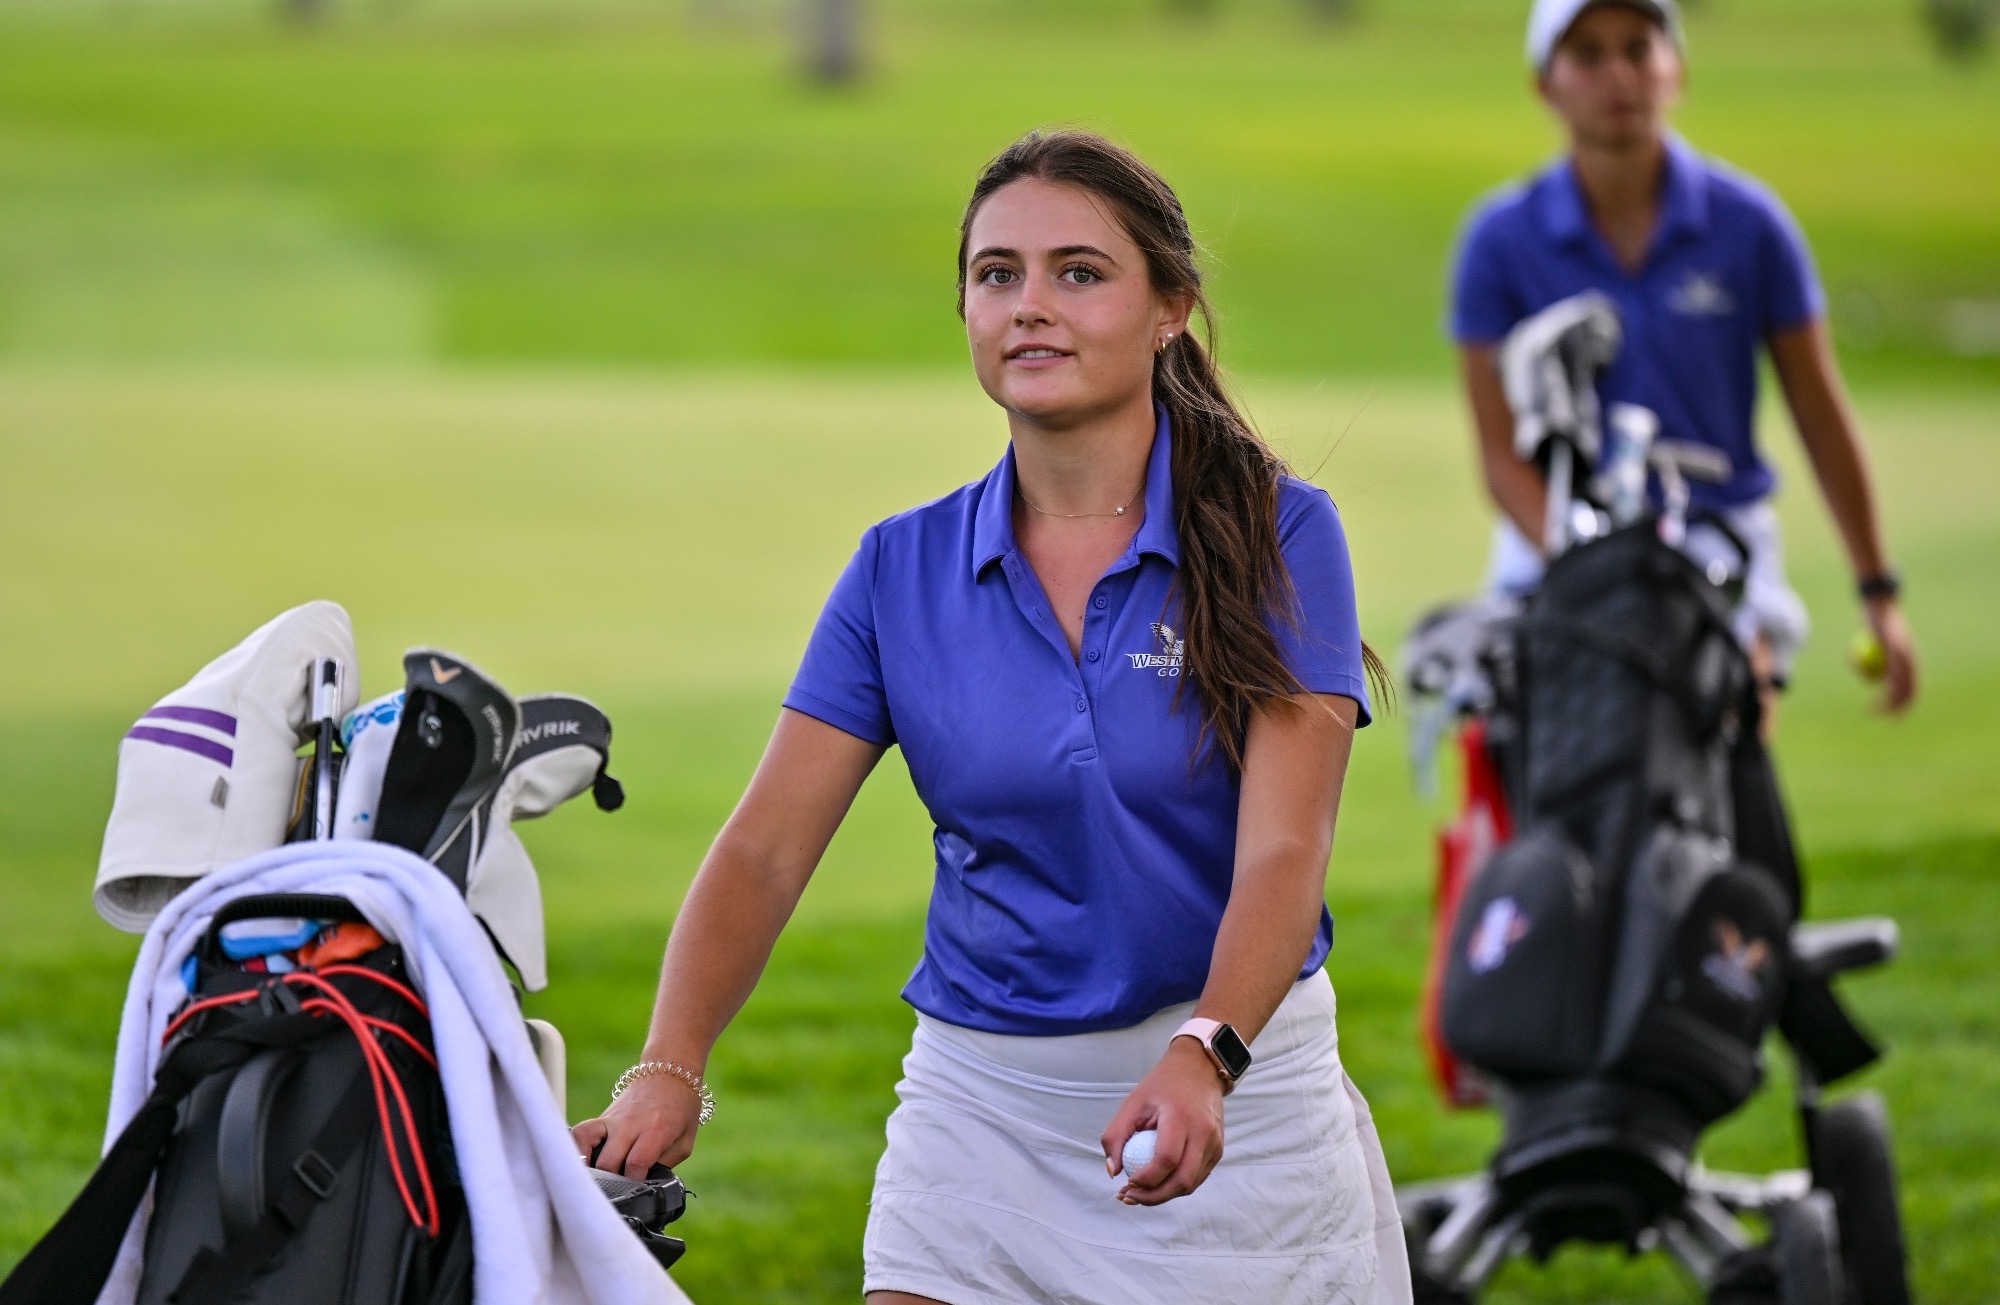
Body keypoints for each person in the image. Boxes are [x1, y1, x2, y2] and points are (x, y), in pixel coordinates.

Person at [571, 129, 1412, 1304]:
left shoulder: (1281, 532)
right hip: (983, 1108)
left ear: (1169, 308)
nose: (1029, 306)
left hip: (1234, 1088)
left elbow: (1282, 850)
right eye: (995, 274)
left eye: (1078, 272)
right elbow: (762, 850)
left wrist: (1204, 1051)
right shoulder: (895, 569)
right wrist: (668, 1066)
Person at [1450, 0, 1920, 718]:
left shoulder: (1751, 224)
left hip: (1719, 537)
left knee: (1726, 745)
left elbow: (1820, 415)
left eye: (1639, 48)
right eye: (1587, 54)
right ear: (1544, 84)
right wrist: (1598, 572)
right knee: (1526, 747)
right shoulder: (1498, 241)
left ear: (1678, 69)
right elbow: (1499, 457)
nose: (1619, 75)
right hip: (1559, 538)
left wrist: (1877, 591)